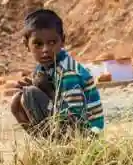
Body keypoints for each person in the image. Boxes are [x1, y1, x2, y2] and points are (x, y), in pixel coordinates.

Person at [6, 8, 104, 139]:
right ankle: (49, 146)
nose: (45, 49)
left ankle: (65, 147)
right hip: (67, 124)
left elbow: (77, 118)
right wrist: (38, 87)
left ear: (62, 41)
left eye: (52, 42)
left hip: (86, 134)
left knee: (30, 94)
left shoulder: (69, 73)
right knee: (17, 101)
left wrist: (48, 91)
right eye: (38, 44)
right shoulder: (43, 68)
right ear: (26, 44)